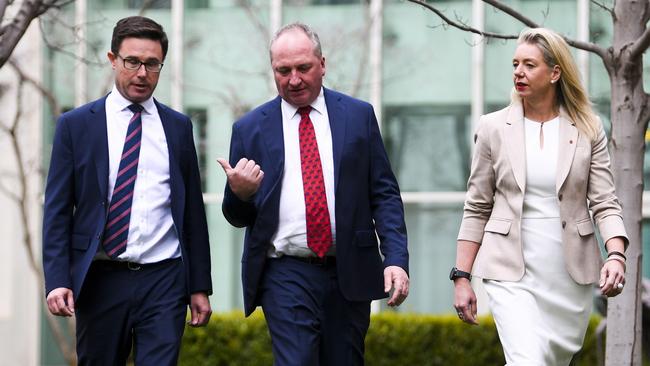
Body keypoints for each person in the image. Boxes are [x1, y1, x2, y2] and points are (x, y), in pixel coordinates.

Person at [217, 22, 409, 365]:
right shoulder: (249, 129)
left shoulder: (358, 116)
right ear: (273, 70)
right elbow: (237, 216)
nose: (294, 80)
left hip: (348, 268)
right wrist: (240, 194)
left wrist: (395, 258)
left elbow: (384, 194)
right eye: (283, 70)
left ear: (322, 64)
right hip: (285, 271)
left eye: (303, 68)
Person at [450, 27, 629, 365]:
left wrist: (616, 254)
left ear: (555, 73)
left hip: (567, 274)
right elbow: (476, 207)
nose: (519, 71)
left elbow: (605, 201)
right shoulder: (492, 128)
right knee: (527, 361)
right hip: (509, 271)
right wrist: (461, 276)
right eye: (516, 63)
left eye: (530, 65)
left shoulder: (588, 128)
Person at [42, 16, 212, 365]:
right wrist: (57, 279)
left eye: (152, 64)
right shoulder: (75, 126)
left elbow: (192, 211)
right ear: (112, 59)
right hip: (101, 278)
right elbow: (58, 210)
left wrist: (199, 285)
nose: (142, 73)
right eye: (132, 61)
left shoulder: (178, 128)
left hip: (164, 277)